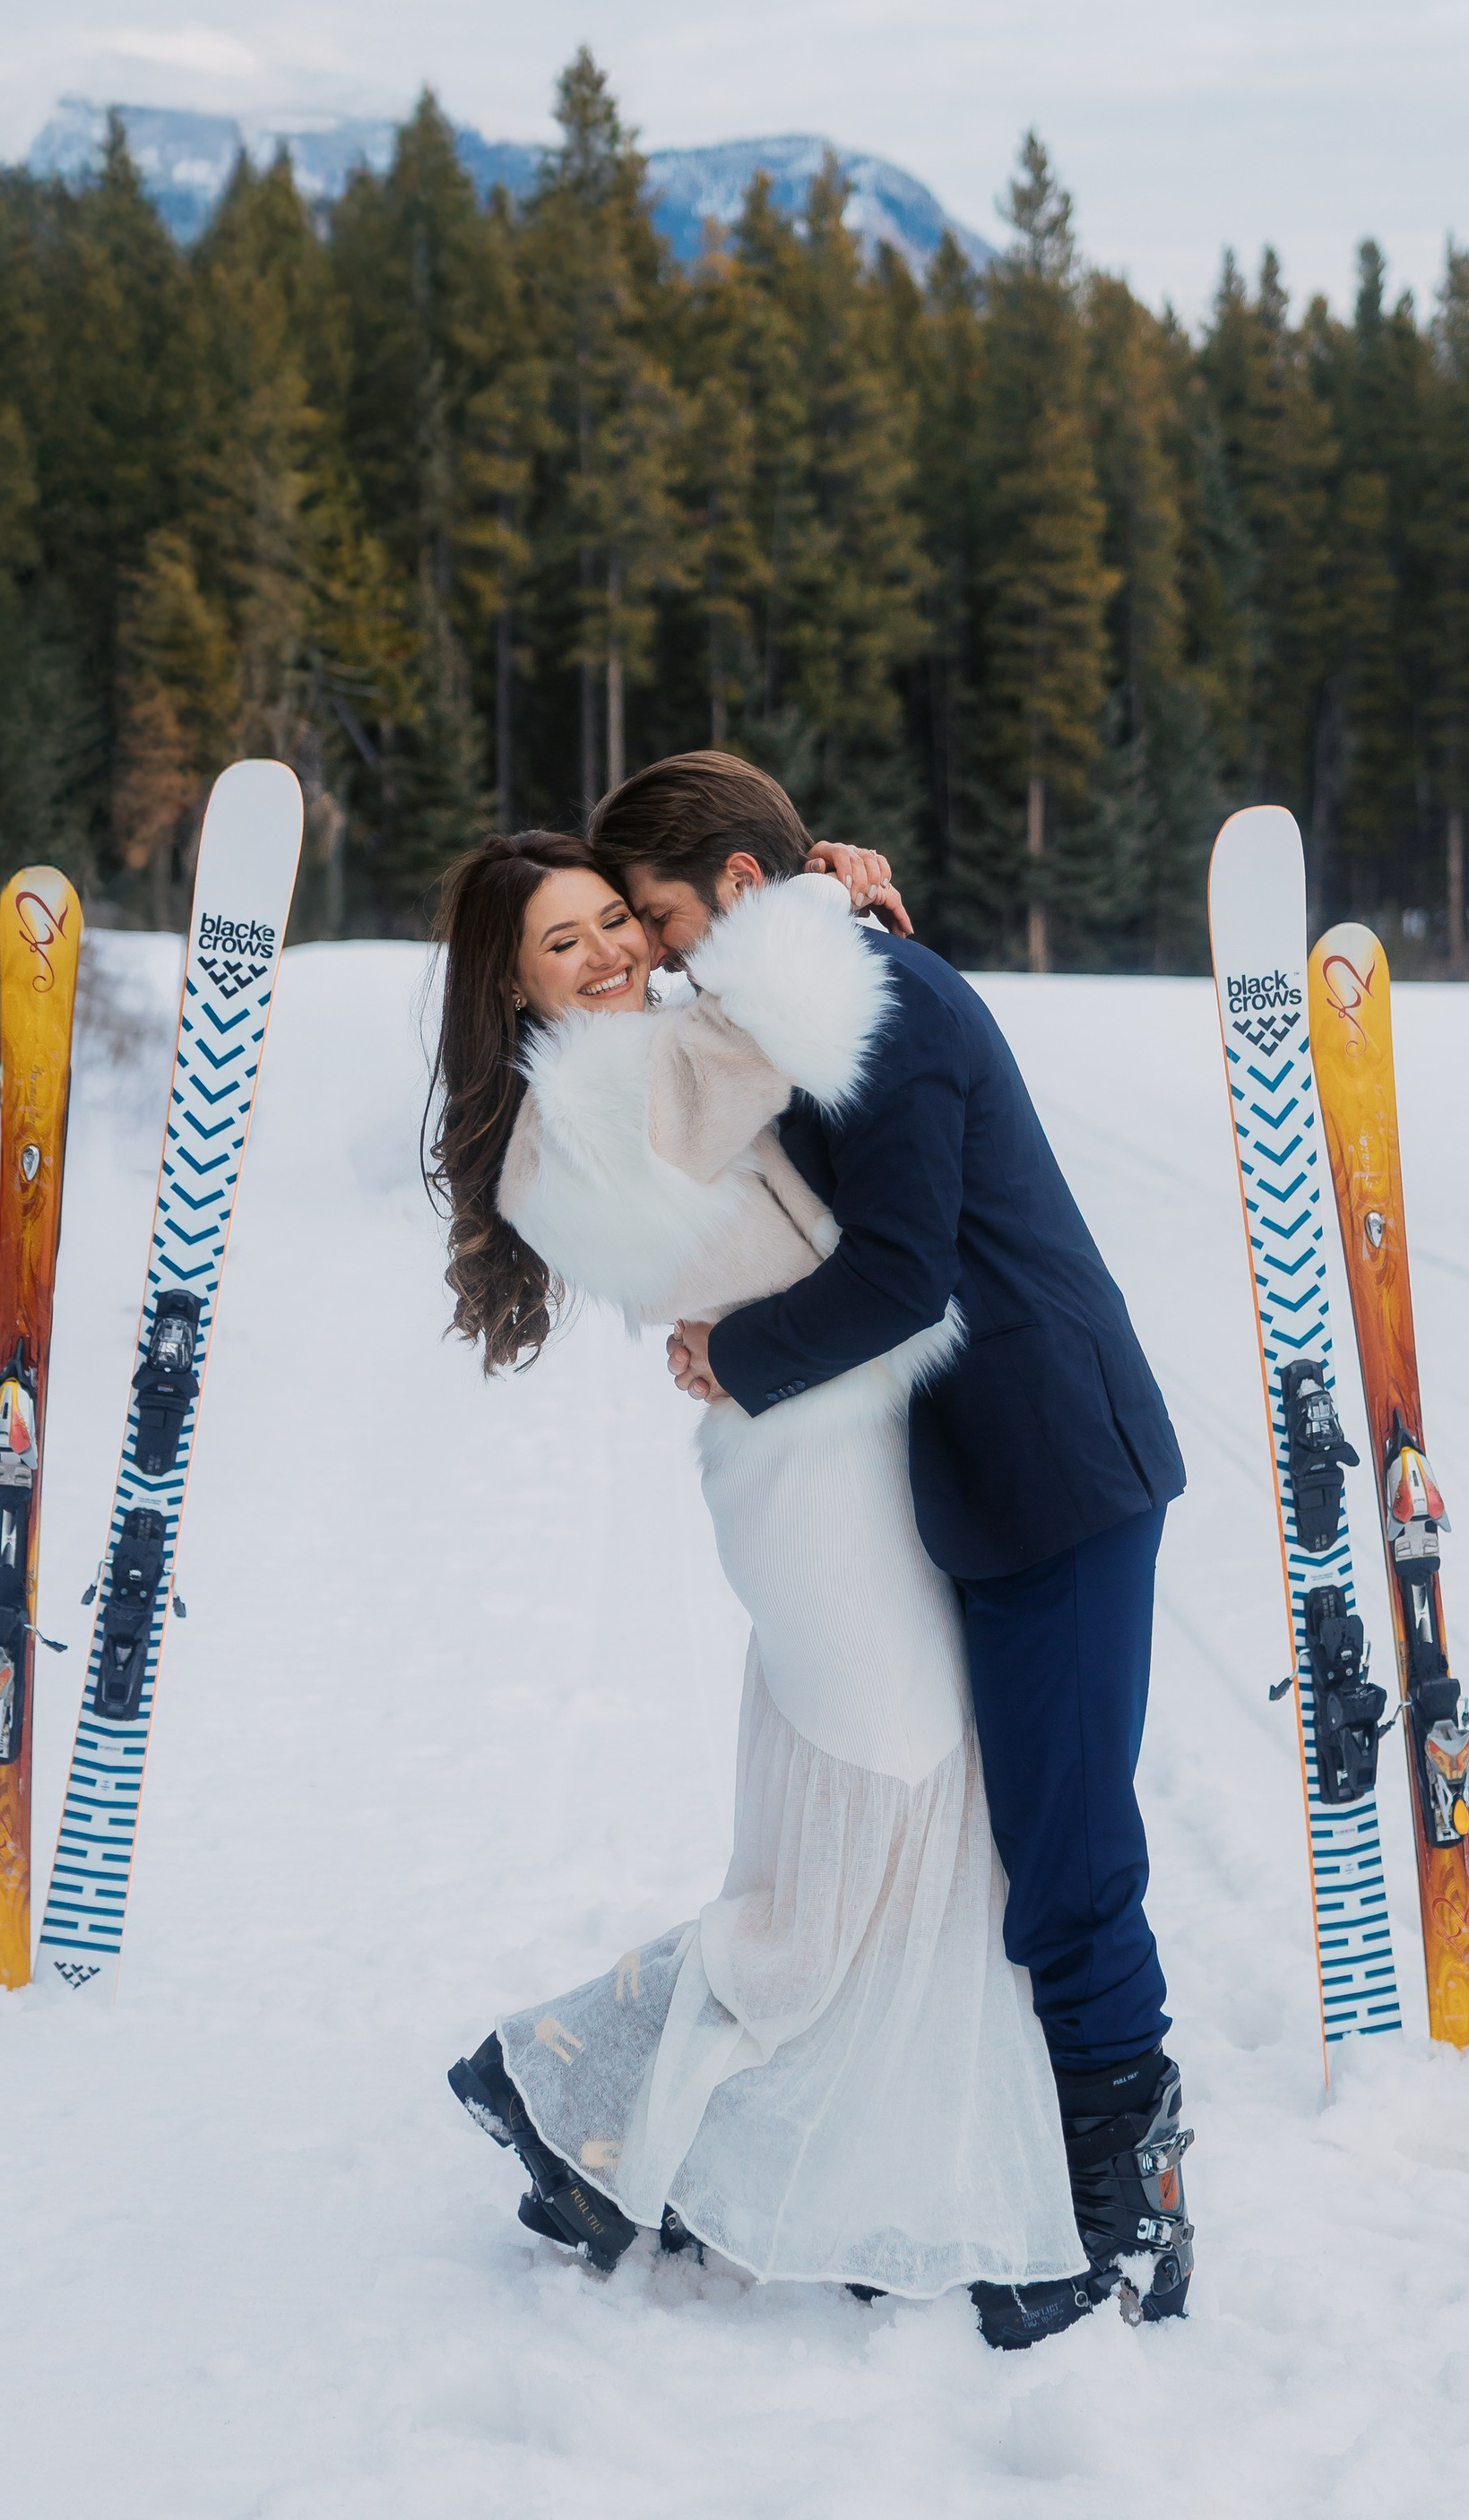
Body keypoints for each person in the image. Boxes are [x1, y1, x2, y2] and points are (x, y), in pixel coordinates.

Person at [430, 827, 1088, 2326]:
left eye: (615, 921)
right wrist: (806, 902)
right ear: (510, 985)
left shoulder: (648, 1056)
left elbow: (777, 1043)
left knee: (864, 1836)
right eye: (567, 942)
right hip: (816, 1482)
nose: (610, 954)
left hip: (833, 1455)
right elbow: (778, 1034)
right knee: (886, 1827)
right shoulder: (592, 1103)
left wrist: (797, 906)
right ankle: (576, 2080)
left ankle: (677, 2134)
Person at [587, 753, 1193, 2343]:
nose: (652, 954)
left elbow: (911, 1272)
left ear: (732, 886)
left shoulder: (890, 1005)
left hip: (1056, 1467)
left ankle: (1134, 2199)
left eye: (660, 918)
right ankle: (1024, 2168)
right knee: (1005, 1843)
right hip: (979, 1476)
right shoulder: (821, 983)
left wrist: (736, 1350)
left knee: (1066, 1854)